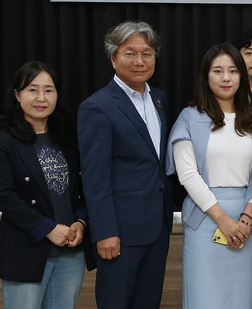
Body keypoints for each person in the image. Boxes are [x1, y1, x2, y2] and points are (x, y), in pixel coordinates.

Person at [78, 21, 173, 308]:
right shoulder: (98, 107)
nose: (139, 61)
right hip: (120, 234)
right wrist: (104, 231)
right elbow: (95, 178)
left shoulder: (160, 99)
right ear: (113, 58)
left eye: (147, 54)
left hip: (156, 228)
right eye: (130, 53)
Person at [0, 62, 94, 308]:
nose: (41, 98)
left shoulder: (69, 140)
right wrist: (48, 228)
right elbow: (4, 196)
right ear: (17, 95)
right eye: (32, 90)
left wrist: (81, 222)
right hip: (26, 252)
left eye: (49, 90)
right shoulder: (1, 142)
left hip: (70, 252)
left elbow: (83, 190)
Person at [168, 43, 252, 308]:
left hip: (246, 222)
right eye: (218, 71)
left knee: (240, 298)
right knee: (205, 297)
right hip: (205, 218)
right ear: (206, 76)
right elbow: (188, 175)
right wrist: (222, 219)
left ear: (241, 75)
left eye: (233, 71)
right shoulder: (190, 117)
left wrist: (246, 218)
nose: (225, 78)